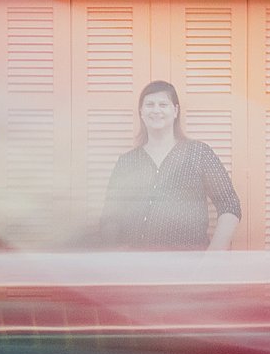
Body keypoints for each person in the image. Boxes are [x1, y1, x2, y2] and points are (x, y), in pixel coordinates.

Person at [100, 80, 240, 250]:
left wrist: (213, 256)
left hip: (189, 264)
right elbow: (110, 217)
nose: (156, 110)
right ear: (141, 112)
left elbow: (229, 204)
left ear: (175, 111)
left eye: (163, 104)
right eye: (150, 105)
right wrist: (116, 258)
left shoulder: (199, 153)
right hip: (136, 265)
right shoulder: (127, 162)